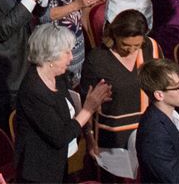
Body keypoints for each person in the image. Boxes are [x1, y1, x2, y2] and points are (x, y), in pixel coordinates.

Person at [16, 23, 111, 184]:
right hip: (39, 172)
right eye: (66, 52)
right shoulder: (33, 90)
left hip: (58, 161)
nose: (71, 57)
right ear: (49, 57)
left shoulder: (58, 77)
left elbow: (70, 111)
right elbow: (60, 136)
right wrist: (89, 108)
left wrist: (88, 134)